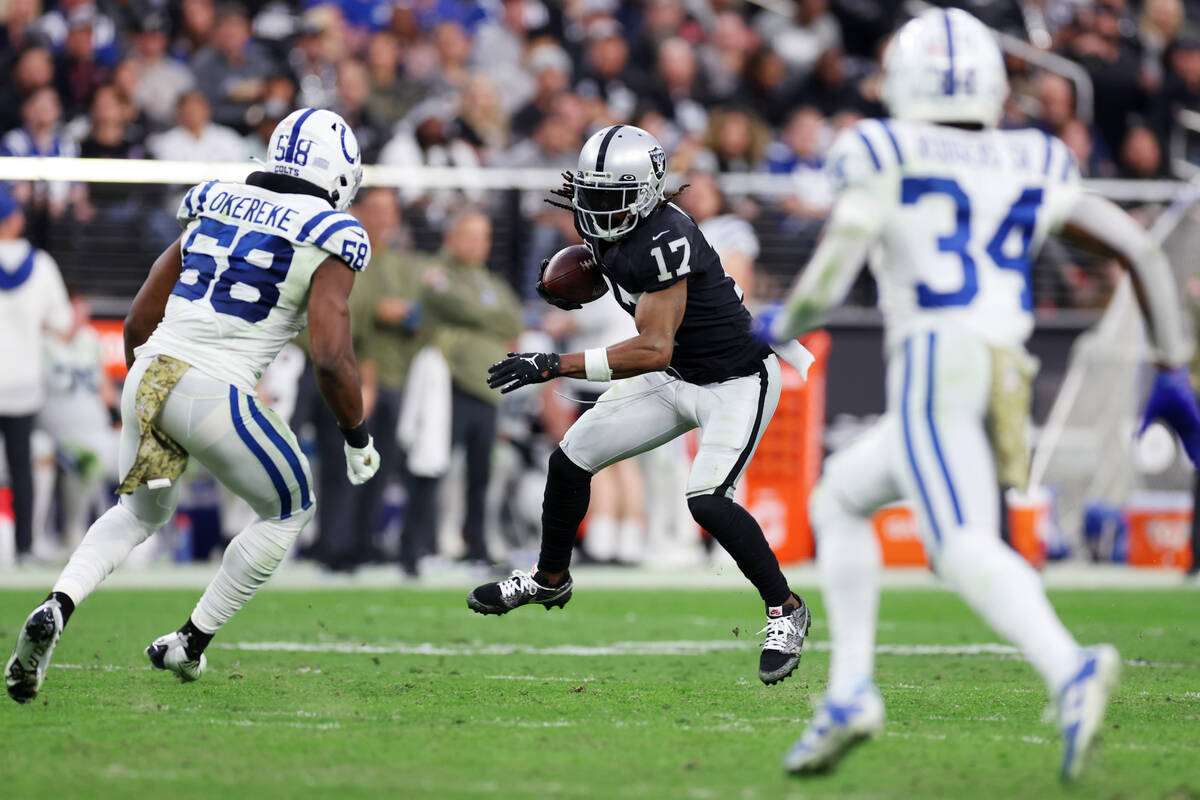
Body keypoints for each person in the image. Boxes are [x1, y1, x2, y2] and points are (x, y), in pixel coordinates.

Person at [756, 9, 1200, 779]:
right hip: (1003, 365)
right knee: (839, 498)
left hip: (936, 352)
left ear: (901, 79)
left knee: (959, 545)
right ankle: (851, 690)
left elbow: (835, 265)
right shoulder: (1032, 155)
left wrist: (778, 320)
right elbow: (1136, 246)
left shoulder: (881, 147)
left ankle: (1070, 668)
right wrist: (1171, 367)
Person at [5, 108, 381, 703]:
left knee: (137, 514)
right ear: (339, 173)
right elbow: (332, 357)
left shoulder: (216, 199)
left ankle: (58, 603)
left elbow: (137, 317)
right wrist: (357, 436)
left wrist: (151, 397)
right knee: (290, 507)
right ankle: (191, 642)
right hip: (215, 389)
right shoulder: (335, 231)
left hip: (154, 373)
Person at [467, 124, 815, 686]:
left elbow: (654, 347)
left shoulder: (666, 236)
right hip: (677, 375)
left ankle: (786, 609)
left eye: (614, 196)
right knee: (570, 458)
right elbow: (618, 287)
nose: (600, 209)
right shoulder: (597, 224)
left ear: (649, 193)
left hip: (734, 379)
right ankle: (550, 577)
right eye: (594, 193)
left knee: (708, 500)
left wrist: (554, 363)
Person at [399, 210, 522, 573]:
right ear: (451, 237)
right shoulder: (438, 272)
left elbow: (513, 318)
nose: (476, 243)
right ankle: (414, 549)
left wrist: (482, 313)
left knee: (482, 475)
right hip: (448, 386)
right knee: (430, 467)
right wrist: (488, 314)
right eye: (468, 234)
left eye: (482, 236)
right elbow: (455, 304)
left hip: (485, 390)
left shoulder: (490, 281)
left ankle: (478, 547)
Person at [0, 186, 72, 564]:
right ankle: (25, 548)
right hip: (24, 382)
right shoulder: (41, 264)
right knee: (21, 468)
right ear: (14, 219)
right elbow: (60, 322)